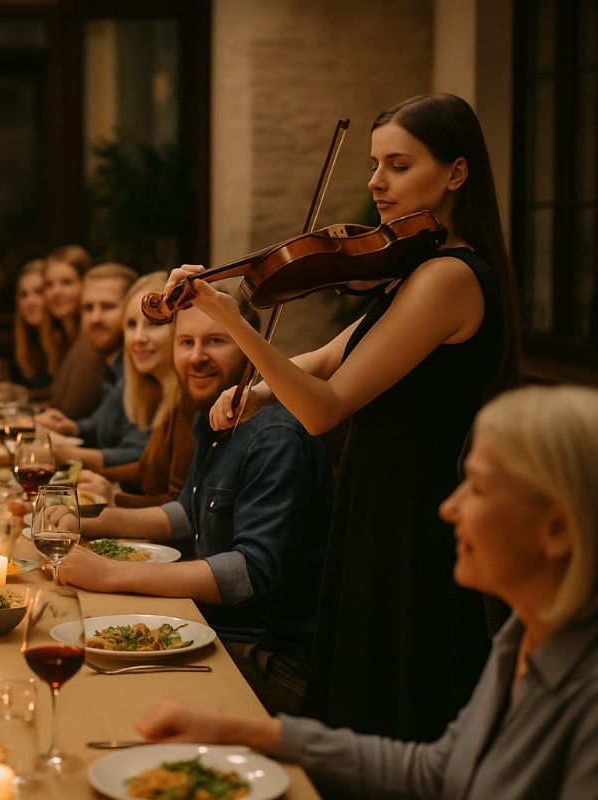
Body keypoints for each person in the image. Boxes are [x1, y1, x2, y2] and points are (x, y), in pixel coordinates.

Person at [162, 93, 521, 740]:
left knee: (394, 704)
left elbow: (325, 409)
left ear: (456, 173)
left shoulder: (450, 278)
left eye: (398, 164)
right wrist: (261, 394)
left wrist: (226, 319)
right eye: (373, 164)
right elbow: (331, 355)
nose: (375, 182)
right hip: (379, 502)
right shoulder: (414, 270)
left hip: (415, 517)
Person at [134, 385, 598, 800]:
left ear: (557, 528)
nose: (449, 507)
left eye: (477, 487)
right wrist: (235, 729)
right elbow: (434, 772)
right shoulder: (522, 634)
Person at [59, 299, 332, 714]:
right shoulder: (214, 416)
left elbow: (250, 571)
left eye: (216, 341)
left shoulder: (277, 434)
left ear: (249, 349)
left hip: (262, 658)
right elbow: (188, 512)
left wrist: (113, 573)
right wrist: (91, 521)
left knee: (97, 696)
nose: (197, 356)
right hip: (206, 626)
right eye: (186, 342)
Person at [76, 271, 197, 507]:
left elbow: (184, 509)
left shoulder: (190, 398)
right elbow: (146, 469)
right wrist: (77, 479)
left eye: (153, 324)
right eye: (131, 325)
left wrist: (115, 498)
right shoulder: (158, 392)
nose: (138, 338)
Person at [37, 263, 147, 469]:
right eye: (88, 308)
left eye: (108, 307)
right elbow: (103, 421)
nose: (95, 318)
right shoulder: (113, 363)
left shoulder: (144, 367)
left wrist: (66, 454)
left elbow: (141, 455)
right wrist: (73, 428)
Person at [42, 244, 107, 418]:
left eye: (67, 282)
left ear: (86, 285)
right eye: (49, 285)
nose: (56, 292)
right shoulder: (63, 337)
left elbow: (71, 412)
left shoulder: (93, 341)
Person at [12, 258, 49, 388]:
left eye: (38, 292)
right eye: (23, 295)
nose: (30, 302)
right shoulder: (29, 341)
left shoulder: (63, 341)